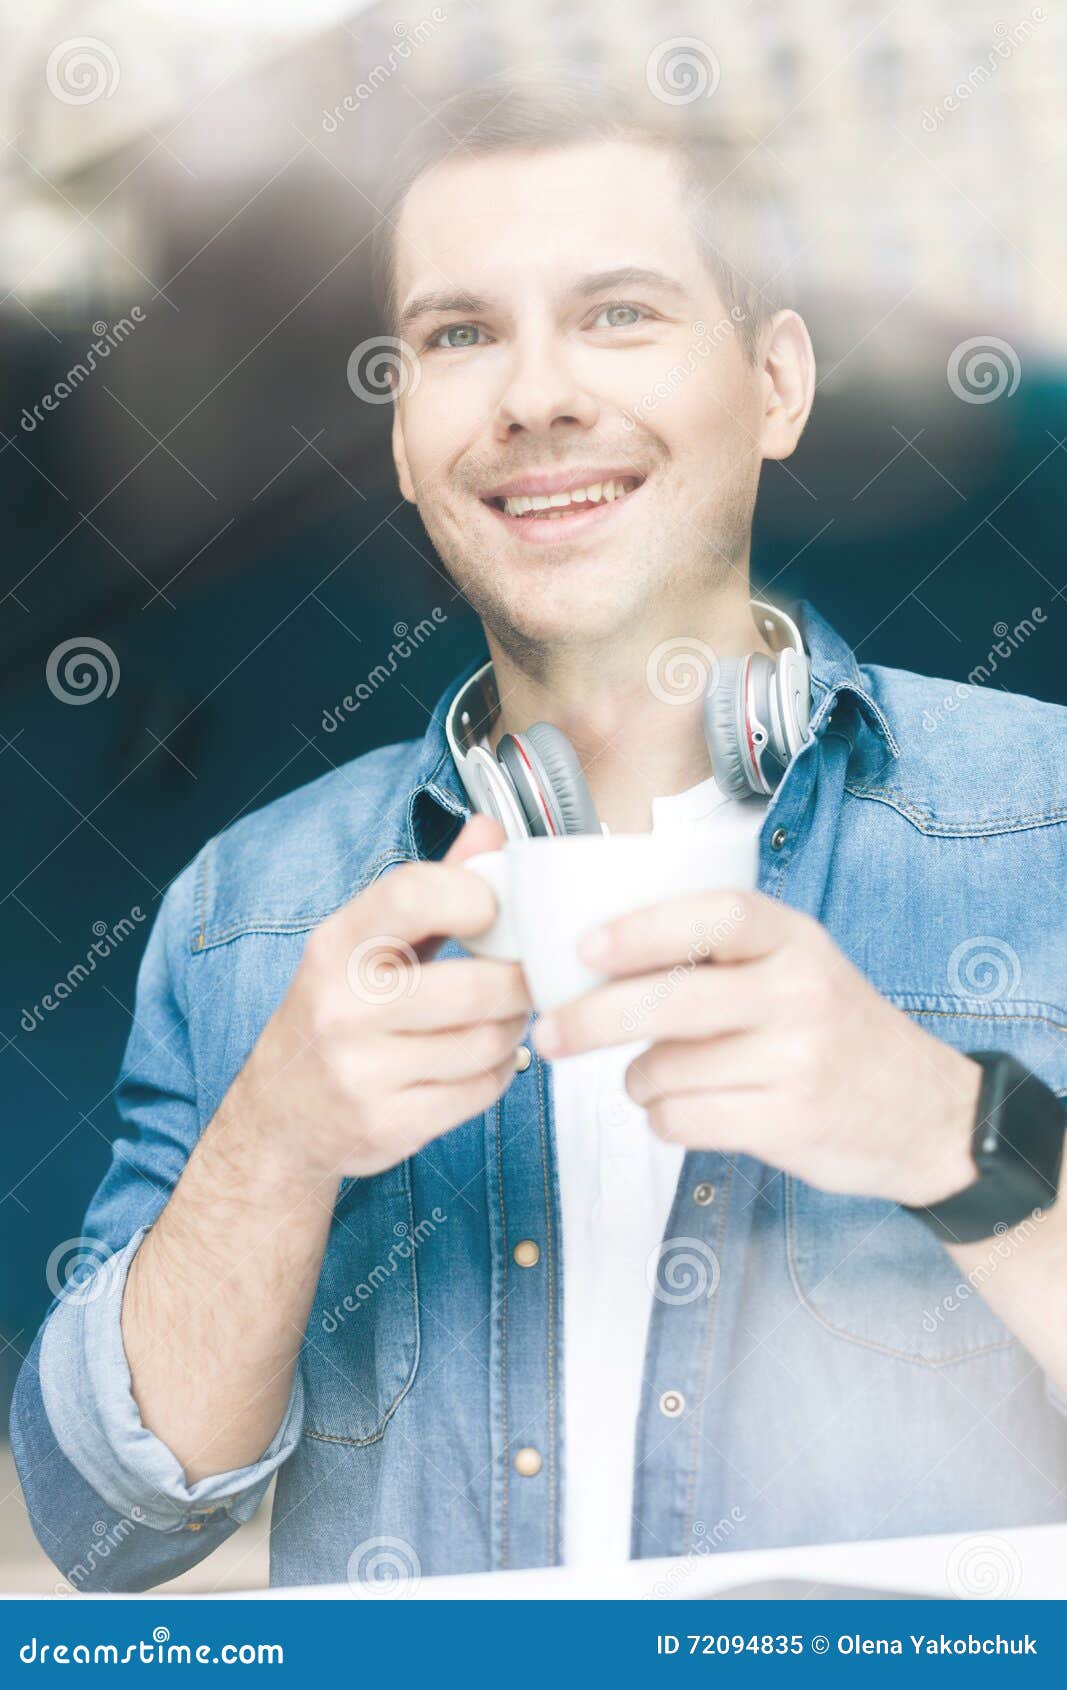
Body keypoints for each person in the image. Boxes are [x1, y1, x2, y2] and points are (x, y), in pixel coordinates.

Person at [13, 74, 1067, 1593]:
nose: (532, 396)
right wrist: (278, 1139)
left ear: (778, 386)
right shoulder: (253, 911)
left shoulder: (1044, 828)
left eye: (619, 313)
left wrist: (948, 1133)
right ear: (400, 433)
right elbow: (95, 1524)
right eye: (459, 336)